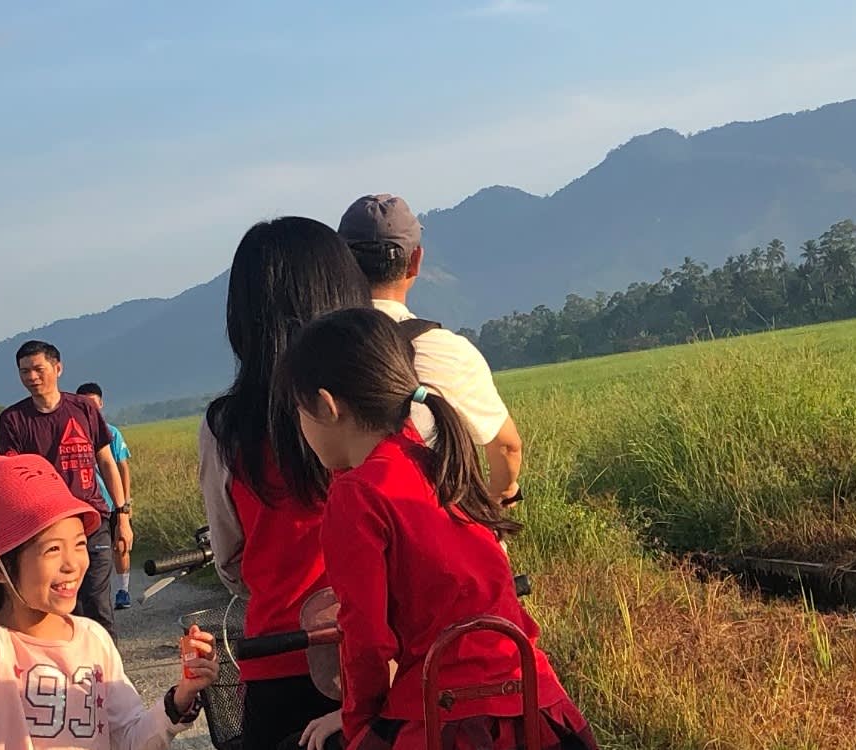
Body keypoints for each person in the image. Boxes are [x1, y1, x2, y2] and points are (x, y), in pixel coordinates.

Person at [279, 308, 595, 750]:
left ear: (327, 406)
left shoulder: (357, 493)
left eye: (299, 412)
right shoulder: (439, 460)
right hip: (536, 704)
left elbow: (366, 640)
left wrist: (359, 724)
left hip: (447, 717)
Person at [0, 409, 216, 749]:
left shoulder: (93, 640)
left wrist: (181, 697)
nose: (72, 564)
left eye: (79, 544)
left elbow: (131, 738)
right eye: (53, 550)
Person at [197, 216, 372, 750]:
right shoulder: (388, 408)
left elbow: (230, 559)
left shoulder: (226, 428)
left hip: (278, 661)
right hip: (388, 661)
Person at [337, 194, 524, 504]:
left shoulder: (310, 351)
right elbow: (507, 447)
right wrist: (502, 496)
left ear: (340, 265)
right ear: (415, 261)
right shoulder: (447, 351)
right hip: (427, 521)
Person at [0, 341, 128, 630]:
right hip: (46, 526)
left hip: (92, 518)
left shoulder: (83, 408)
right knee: (63, 605)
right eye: (24, 371)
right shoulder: (13, 420)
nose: (32, 377)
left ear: (58, 368)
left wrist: (123, 514)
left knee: (98, 604)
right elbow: (12, 474)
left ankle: (106, 658)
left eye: (38, 369)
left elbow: (106, 461)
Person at [75, 381, 138, 610]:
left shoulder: (112, 433)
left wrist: (125, 502)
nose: (90, 409)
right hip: (85, 505)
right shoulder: (73, 435)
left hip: (112, 502)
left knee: (120, 545)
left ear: (101, 404)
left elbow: (122, 468)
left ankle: (123, 590)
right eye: (85, 404)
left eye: (93, 404)